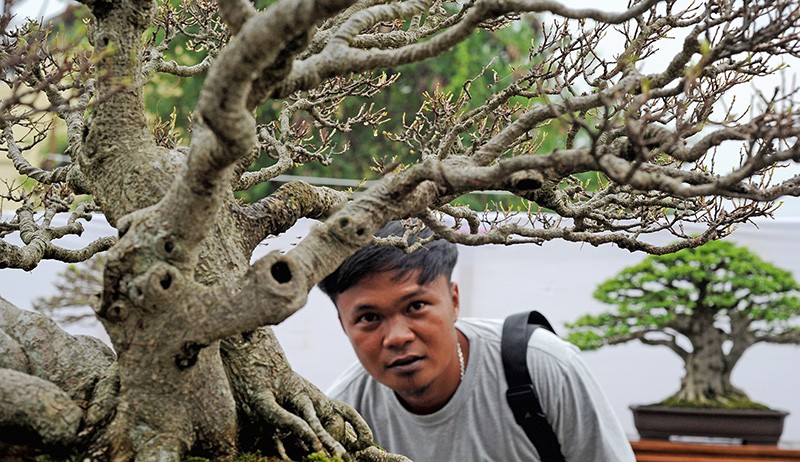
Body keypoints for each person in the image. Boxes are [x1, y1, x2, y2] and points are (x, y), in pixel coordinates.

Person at [320, 221, 635, 461]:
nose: (398, 337)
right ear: (343, 325)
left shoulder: (542, 367)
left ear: (453, 301)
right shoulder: (341, 417)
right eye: (369, 318)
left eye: (416, 307)